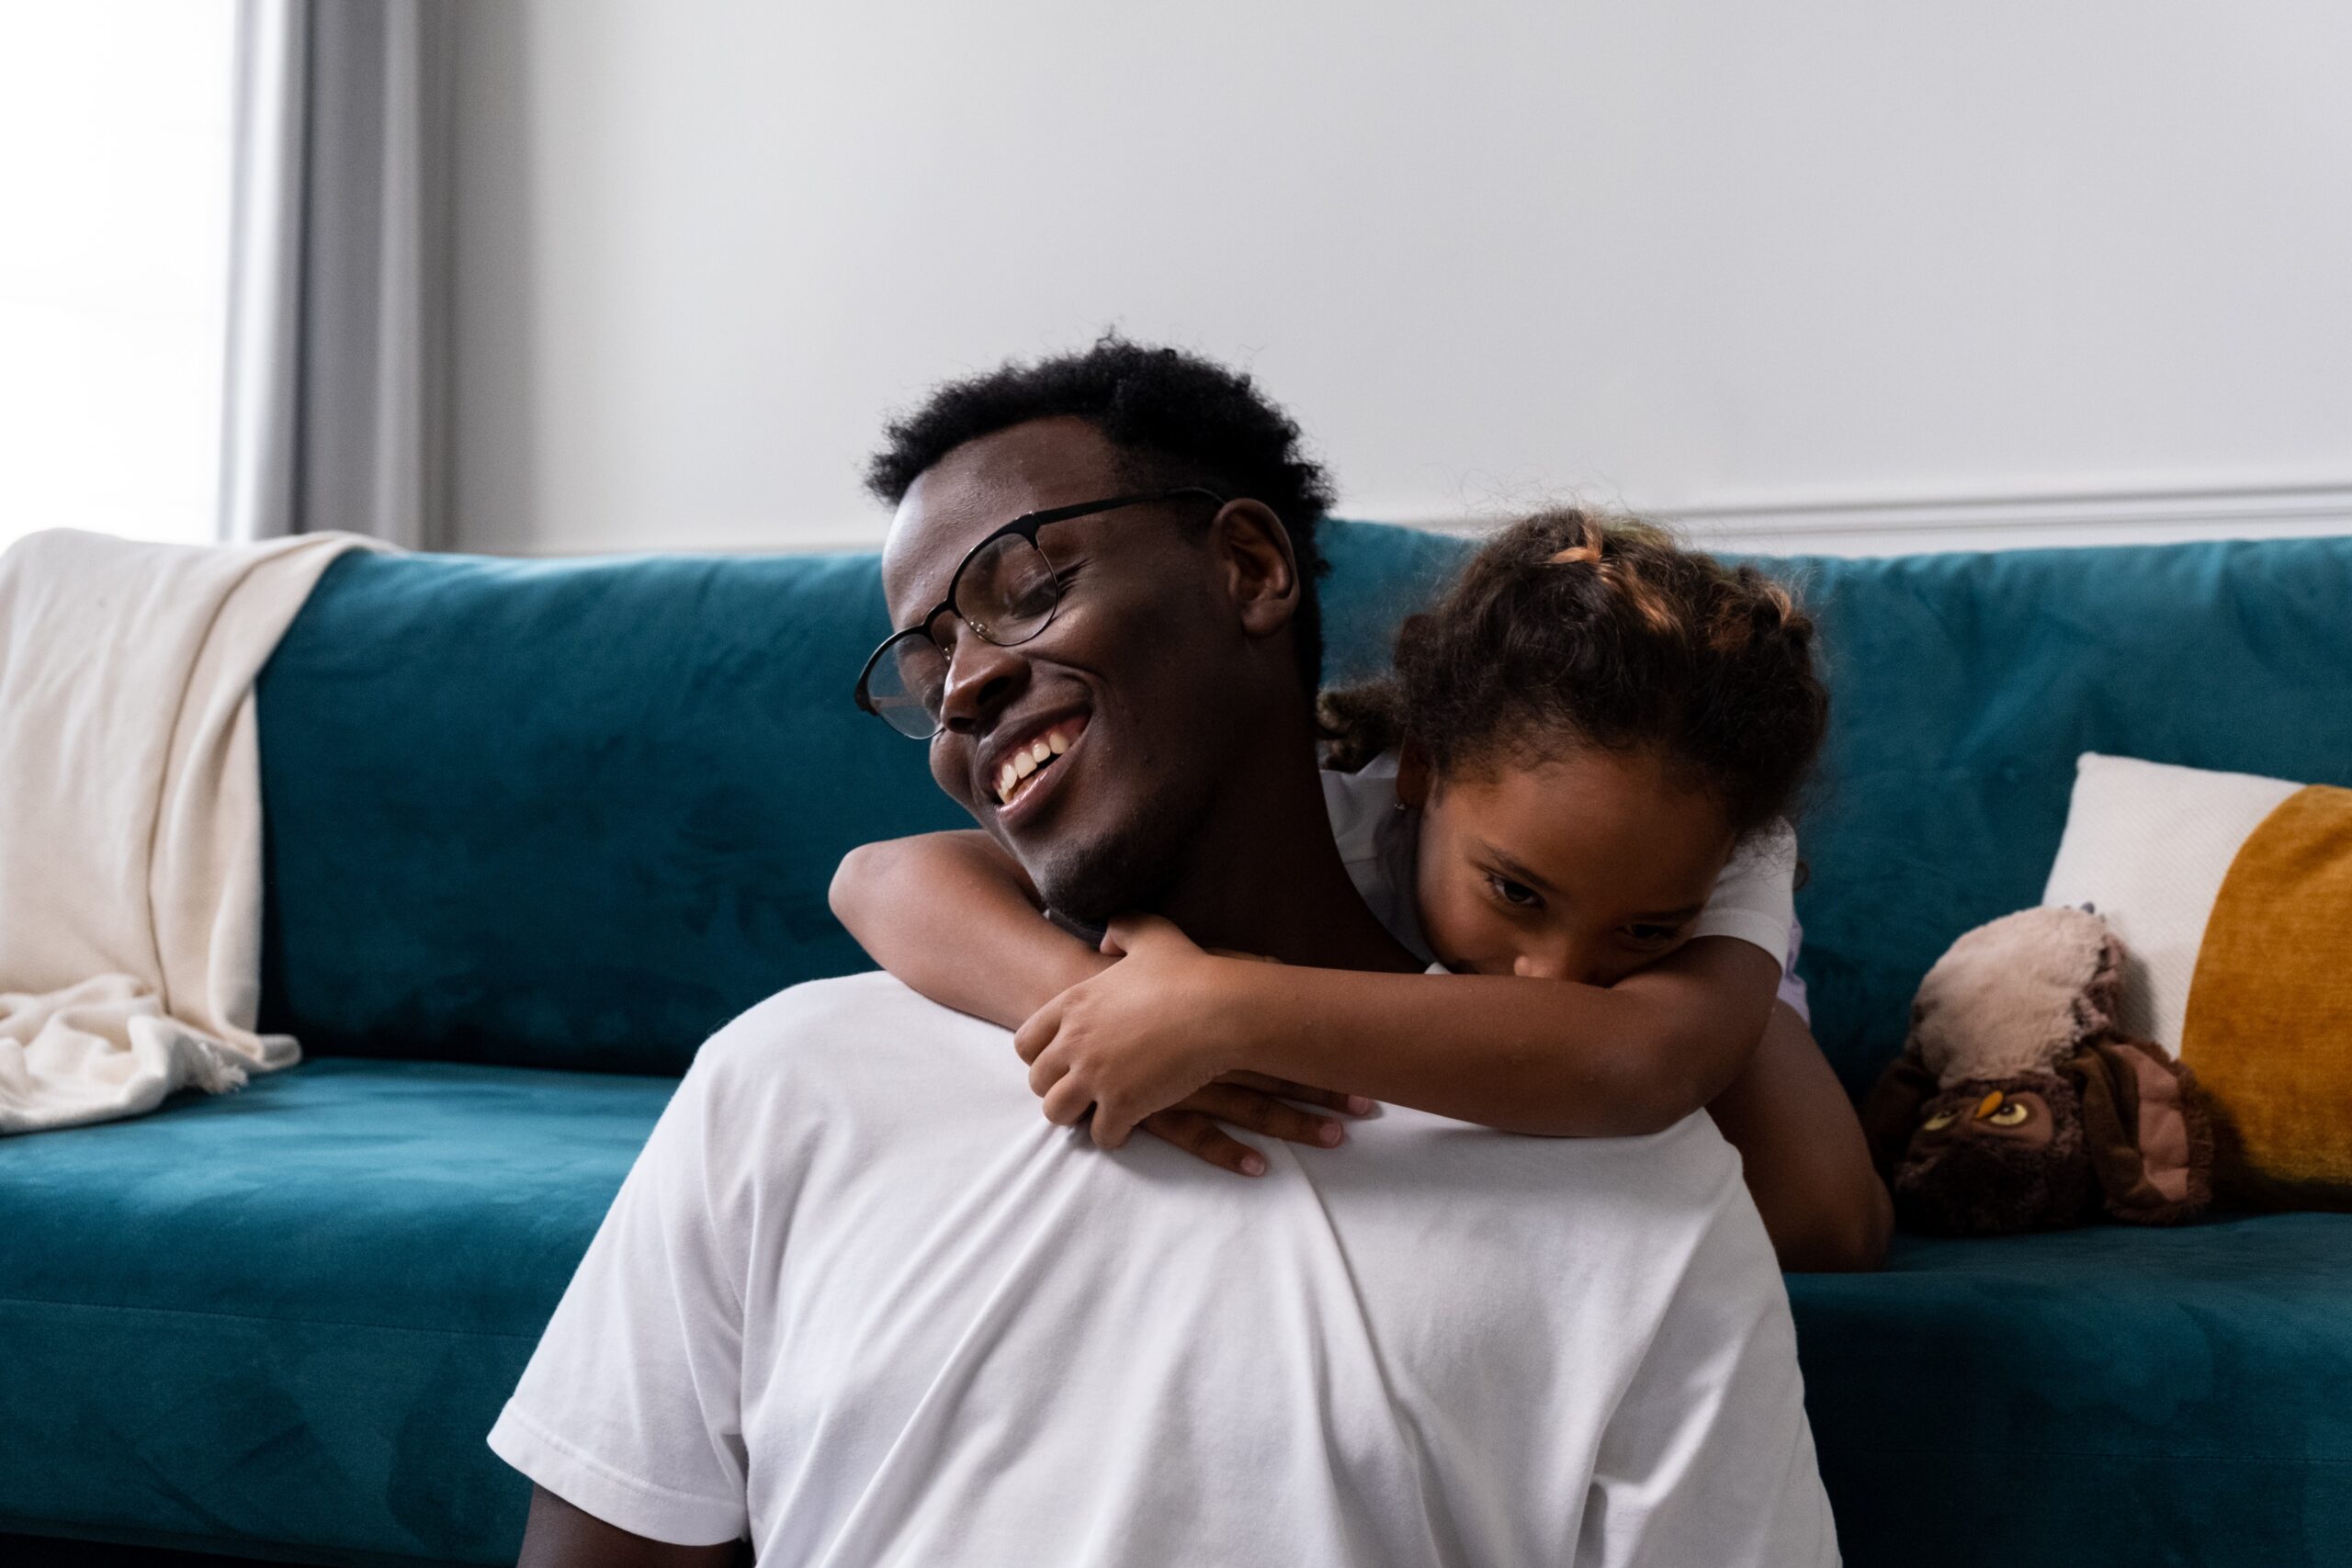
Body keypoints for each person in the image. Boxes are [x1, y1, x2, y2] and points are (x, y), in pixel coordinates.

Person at [492, 338, 1839, 1565]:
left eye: (1027, 589)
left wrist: (1226, 1011)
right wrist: (1124, 1006)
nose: (960, 684)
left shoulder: (1642, 1182)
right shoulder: (784, 1078)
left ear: (1251, 570)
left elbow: (1658, 1057)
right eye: (925, 656)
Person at [833, 507, 1893, 1271]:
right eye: (1517, 894)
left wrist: (1216, 1008)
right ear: (1424, 770)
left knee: (1822, 1212)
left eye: (1644, 924)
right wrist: (1096, 1002)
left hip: (1710, 1029)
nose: (1557, 974)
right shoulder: (1334, 813)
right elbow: (875, 878)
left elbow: (1647, 1066)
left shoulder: (1726, 844)